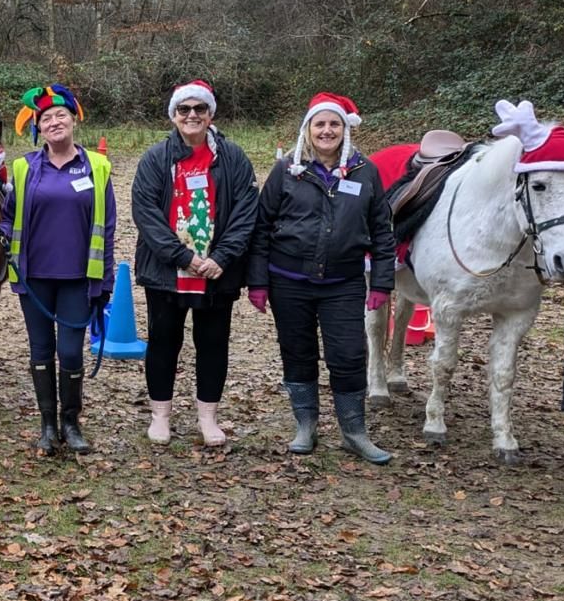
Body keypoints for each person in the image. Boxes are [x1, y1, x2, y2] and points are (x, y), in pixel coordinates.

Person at [248, 92, 395, 464]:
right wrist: (259, 282)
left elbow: (381, 230)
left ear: (345, 130)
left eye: (334, 124)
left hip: (343, 282)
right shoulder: (287, 170)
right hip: (288, 280)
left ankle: (354, 431)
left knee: (348, 354)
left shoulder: (365, 171)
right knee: (298, 352)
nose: (327, 131)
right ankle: (306, 425)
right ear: (308, 130)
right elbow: (262, 226)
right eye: (320, 124)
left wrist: (381, 282)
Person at [131, 81, 259, 446]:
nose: (192, 116)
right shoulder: (156, 158)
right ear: (173, 115)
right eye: (184, 109)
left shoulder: (233, 157)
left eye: (199, 109)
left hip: (218, 271)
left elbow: (247, 212)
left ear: (210, 114)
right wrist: (184, 257)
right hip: (167, 271)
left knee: (213, 342)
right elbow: (146, 213)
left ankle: (208, 417)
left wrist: (222, 257)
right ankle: (160, 415)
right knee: (163, 341)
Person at [3, 84, 115, 456]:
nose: (54, 122)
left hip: (79, 279)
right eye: (46, 118)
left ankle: (71, 421)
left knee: (70, 352)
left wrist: (106, 281)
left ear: (73, 121)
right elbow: (7, 217)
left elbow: (108, 226)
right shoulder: (23, 169)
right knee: (40, 351)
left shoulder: (97, 167)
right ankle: (47, 424)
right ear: (38, 127)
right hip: (34, 277)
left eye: (60, 116)